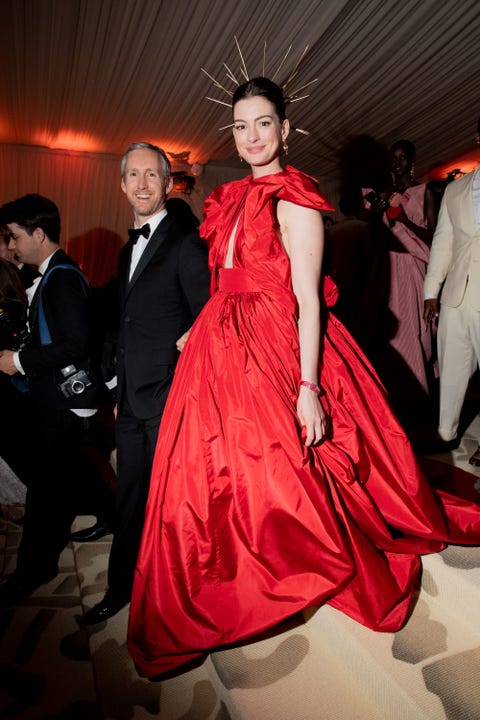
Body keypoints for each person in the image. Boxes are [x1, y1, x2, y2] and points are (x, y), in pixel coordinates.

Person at [127, 77, 480, 678]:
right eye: (241, 126)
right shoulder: (232, 196)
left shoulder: (294, 198)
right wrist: (201, 327)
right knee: (213, 464)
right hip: (222, 339)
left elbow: (309, 300)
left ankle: (290, 558)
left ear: (285, 129)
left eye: (264, 123)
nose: (252, 136)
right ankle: (239, 561)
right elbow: (228, 276)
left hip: (278, 340)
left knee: (287, 460)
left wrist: (309, 388)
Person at [79, 142, 210, 625]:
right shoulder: (123, 248)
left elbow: (210, 314)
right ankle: (120, 588)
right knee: (129, 497)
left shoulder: (184, 240)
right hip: (132, 402)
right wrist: (116, 391)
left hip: (169, 399)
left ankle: (174, 598)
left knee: (170, 506)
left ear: (167, 183)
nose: (141, 184)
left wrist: (187, 342)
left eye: (151, 176)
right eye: (132, 176)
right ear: (121, 185)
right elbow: (123, 322)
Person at [0, 194, 115, 604]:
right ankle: (112, 513)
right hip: (57, 400)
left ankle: (33, 570)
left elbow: (76, 342)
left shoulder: (62, 276)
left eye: (14, 237)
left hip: (62, 403)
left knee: (45, 491)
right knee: (70, 469)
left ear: (38, 233)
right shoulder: (53, 273)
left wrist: (19, 360)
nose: (11, 246)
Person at [363, 140, 438, 433]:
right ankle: (399, 413)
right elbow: (375, 236)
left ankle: (422, 411)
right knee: (393, 340)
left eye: (402, 157)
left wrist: (403, 217)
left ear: (412, 161)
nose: (397, 163)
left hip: (415, 269)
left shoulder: (425, 191)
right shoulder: (380, 195)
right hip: (388, 271)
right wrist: (376, 213)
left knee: (418, 338)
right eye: (392, 158)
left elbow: (435, 238)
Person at [424, 117, 480, 461]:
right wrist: (432, 290)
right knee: (452, 369)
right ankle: (446, 434)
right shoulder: (457, 189)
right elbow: (443, 242)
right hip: (456, 295)